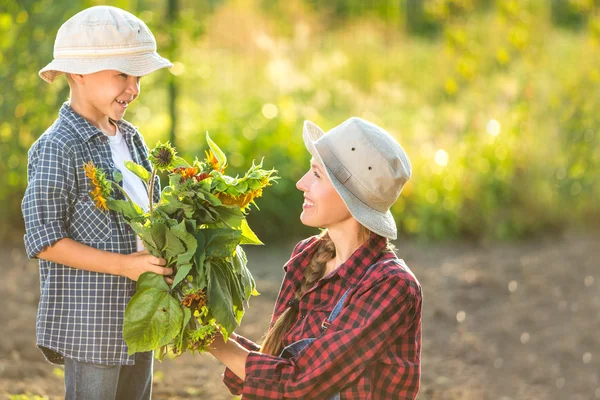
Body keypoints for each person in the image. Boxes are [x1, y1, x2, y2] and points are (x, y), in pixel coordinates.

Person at [209, 117, 422, 399]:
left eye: (317, 174)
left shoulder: (391, 285)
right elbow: (277, 367)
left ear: (351, 196)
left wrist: (215, 343)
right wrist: (205, 331)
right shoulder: (308, 255)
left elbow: (300, 384)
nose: (301, 183)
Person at [21, 6, 173, 399]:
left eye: (137, 75)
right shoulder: (58, 147)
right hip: (92, 322)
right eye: (122, 73)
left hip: (142, 310)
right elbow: (45, 239)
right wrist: (126, 266)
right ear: (78, 72)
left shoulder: (131, 138)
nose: (134, 87)